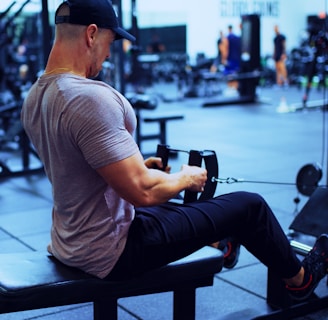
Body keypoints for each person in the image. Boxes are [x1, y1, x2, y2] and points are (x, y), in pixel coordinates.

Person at [21, 0, 328, 303]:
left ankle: (221, 239)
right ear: (91, 35)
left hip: (69, 242)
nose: (108, 53)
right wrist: (186, 177)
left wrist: (135, 164)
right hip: (113, 251)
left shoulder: (35, 96)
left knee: (182, 206)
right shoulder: (89, 97)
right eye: (109, 42)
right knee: (250, 206)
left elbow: (74, 165)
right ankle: (300, 280)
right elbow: (142, 191)